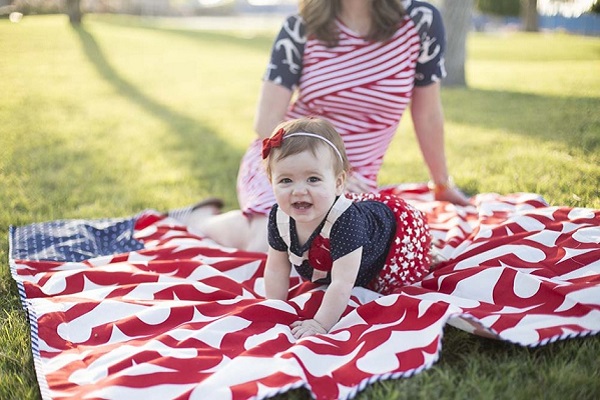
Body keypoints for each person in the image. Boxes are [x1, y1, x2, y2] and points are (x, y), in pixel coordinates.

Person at [177, 0, 469, 252]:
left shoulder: (421, 21)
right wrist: (324, 165)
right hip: (289, 160)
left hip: (350, 178)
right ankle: (199, 220)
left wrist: (441, 184)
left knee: (339, 252)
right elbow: (266, 122)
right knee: (272, 244)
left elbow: (428, 113)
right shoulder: (300, 27)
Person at [262, 117, 433, 338]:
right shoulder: (279, 215)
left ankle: (429, 249)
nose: (299, 190)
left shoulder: (345, 222)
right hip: (344, 247)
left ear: (338, 183)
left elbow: (342, 283)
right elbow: (276, 268)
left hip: (392, 241)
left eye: (313, 179)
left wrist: (319, 324)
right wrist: (275, 308)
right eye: (286, 180)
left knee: (398, 272)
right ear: (271, 181)